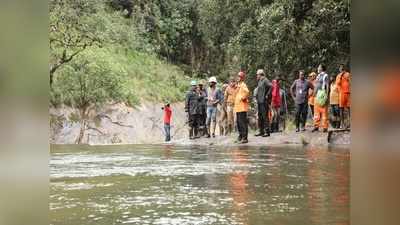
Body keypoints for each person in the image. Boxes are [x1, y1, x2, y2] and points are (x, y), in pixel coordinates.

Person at [254, 69, 272, 137]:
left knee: (265, 116)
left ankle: (267, 132)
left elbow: (271, 86)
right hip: (259, 101)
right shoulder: (259, 81)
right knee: (260, 116)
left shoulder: (265, 80)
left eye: (257, 74)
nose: (256, 76)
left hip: (264, 101)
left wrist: (267, 95)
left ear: (260, 74)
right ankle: (261, 131)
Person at [312, 64, 330, 133]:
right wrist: (314, 93)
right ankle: (316, 126)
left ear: (322, 68)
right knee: (316, 112)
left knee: (324, 111)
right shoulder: (318, 75)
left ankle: (325, 127)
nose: (317, 68)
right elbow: (316, 85)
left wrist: (327, 96)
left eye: (319, 67)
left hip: (322, 95)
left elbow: (327, 85)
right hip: (316, 95)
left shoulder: (325, 75)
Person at [234, 71, 250, 143]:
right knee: (238, 122)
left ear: (242, 78)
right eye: (238, 76)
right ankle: (240, 136)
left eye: (239, 76)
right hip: (238, 107)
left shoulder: (243, 85)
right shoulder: (238, 85)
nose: (238, 78)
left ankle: (245, 137)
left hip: (242, 107)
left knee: (242, 122)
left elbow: (247, 92)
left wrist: (243, 98)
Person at [335, 64, 351, 129]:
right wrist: (341, 76)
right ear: (339, 69)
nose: (341, 68)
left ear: (344, 68)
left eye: (342, 67)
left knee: (349, 108)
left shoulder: (348, 74)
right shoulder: (338, 76)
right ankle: (342, 123)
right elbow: (338, 84)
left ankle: (349, 122)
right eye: (340, 67)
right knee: (341, 109)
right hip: (341, 93)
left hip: (348, 93)